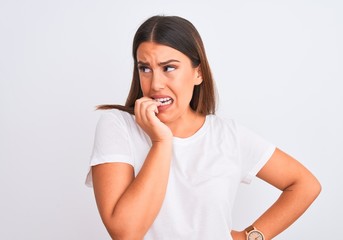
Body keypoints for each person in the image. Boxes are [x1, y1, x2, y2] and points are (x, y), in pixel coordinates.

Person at [85, 15, 321, 240]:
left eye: (169, 68)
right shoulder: (118, 126)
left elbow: (304, 185)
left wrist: (250, 236)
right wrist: (161, 142)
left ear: (198, 73)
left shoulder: (227, 136)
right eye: (145, 68)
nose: (155, 83)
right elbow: (126, 233)